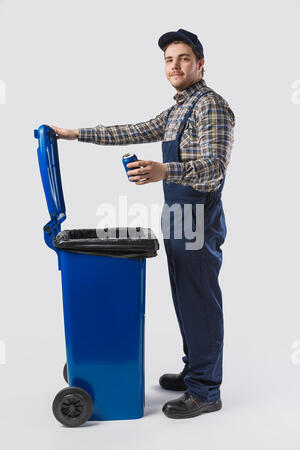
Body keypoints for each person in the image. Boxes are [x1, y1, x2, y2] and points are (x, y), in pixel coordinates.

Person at [49, 28, 235, 419]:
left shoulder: (210, 106)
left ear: (200, 64)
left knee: (199, 299)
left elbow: (214, 170)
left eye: (184, 58)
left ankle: (206, 391)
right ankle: (195, 371)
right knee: (186, 297)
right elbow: (133, 131)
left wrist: (163, 170)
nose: (175, 65)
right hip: (179, 216)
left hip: (198, 215)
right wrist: (73, 134)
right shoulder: (179, 108)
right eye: (169, 59)